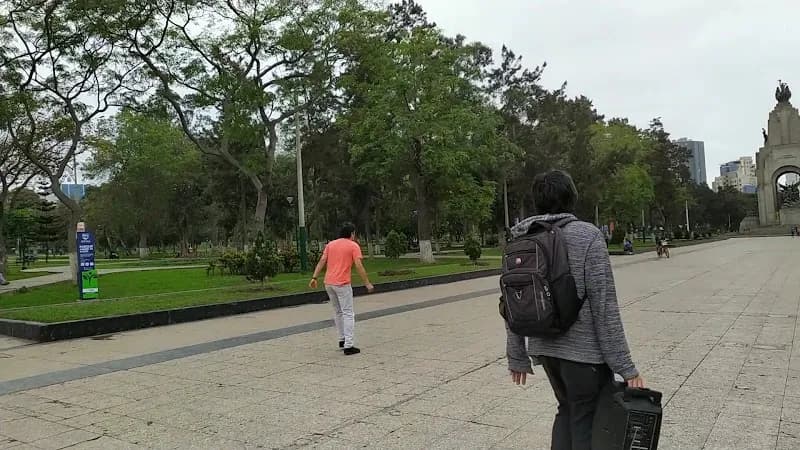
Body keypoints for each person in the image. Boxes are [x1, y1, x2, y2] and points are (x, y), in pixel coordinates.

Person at [505, 170, 644, 450]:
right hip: (584, 355)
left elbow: (512, 303)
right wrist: (626, 367)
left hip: (545, 349)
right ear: (572, 197)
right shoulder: (588, 236)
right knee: (585, 417)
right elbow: (604, 307)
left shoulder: (520, 238)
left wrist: (517, 355)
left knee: (566, 409)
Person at [309, 223, 374, 355]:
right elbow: (359, 266)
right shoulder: (353, 246)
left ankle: (342, 339)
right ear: (352, 234)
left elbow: (322, 261)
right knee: (348, 313)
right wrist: (367, 283)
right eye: (354, 234)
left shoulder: (331, 244)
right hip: (342, 283)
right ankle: (349, 345)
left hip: (329, 283)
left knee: (338, 312)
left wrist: (314, 277)